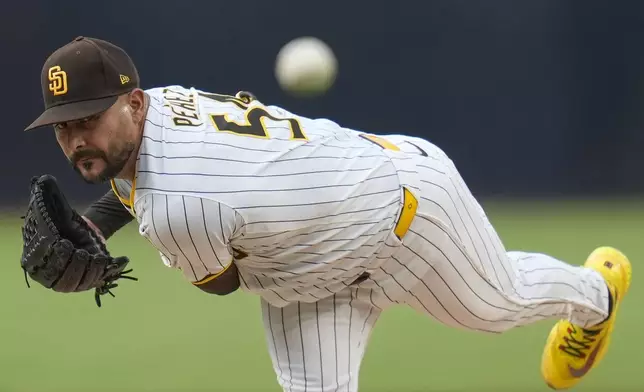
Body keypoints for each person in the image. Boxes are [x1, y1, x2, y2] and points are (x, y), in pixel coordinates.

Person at [24, 36, 631, 391]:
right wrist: (96, 223)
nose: (78, 139)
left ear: (131, 104)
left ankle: (596, 291)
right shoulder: (159, 103)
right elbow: (148, 179)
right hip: (310, 274)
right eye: (64, 126)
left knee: (498, 307)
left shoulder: (180, 209)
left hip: (405, 216)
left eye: (90, 119)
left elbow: (222, 280)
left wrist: (113, 231)